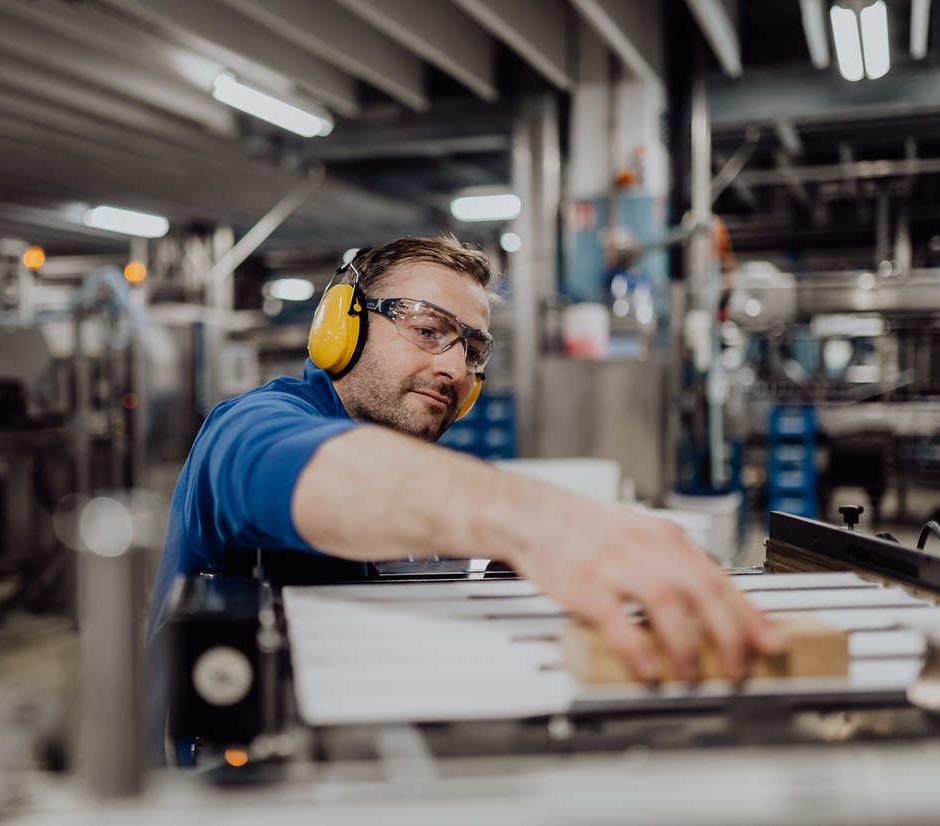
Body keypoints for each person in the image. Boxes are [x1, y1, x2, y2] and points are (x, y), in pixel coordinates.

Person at [147, 236, 784, 758]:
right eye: (429, 330)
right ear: (339, 327)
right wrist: (538, 523)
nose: (455, 367)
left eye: (473, 349)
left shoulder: (412, 457)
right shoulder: (249, 424)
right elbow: (312, 472)